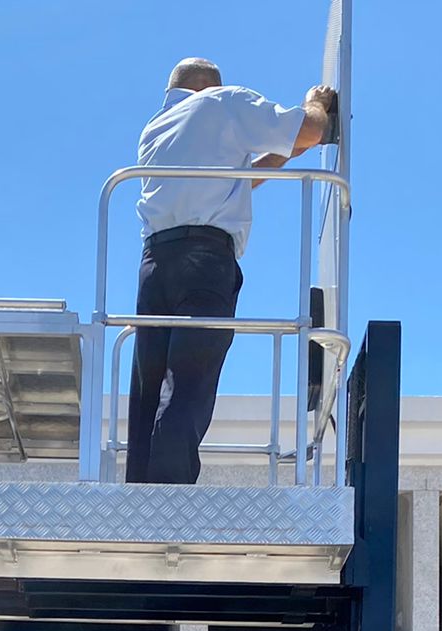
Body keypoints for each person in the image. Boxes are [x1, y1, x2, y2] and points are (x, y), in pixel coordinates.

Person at [126, 58, 338, 486]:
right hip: (204, 262)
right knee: (190, 380)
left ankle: (142, 492)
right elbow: (310, 130)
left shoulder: (156, 129)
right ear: (209, 85)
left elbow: (232, 179)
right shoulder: (222, 102)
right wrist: (314, 104)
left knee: (150, 387)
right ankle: (170, 495)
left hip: (155, 265)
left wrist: (285, 152)